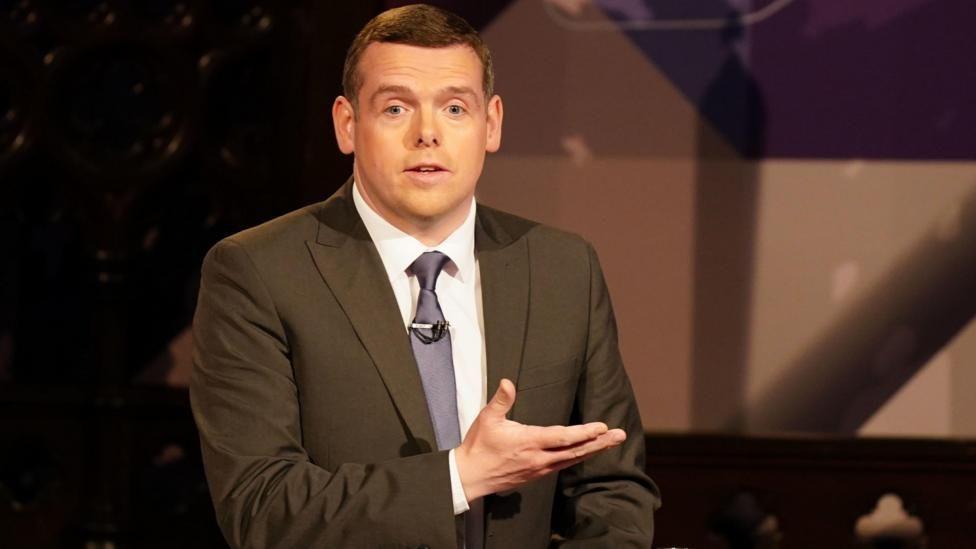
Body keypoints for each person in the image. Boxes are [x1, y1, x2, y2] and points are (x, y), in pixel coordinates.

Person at [190, 4, 660, 548]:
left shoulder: (563, 267)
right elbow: (261, 507)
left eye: (455, 108)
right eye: (395, 108)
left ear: (492, 124)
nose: (427, 134)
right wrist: (460, 476)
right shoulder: (259, 271)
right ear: (347, 124)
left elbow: (613, 489)